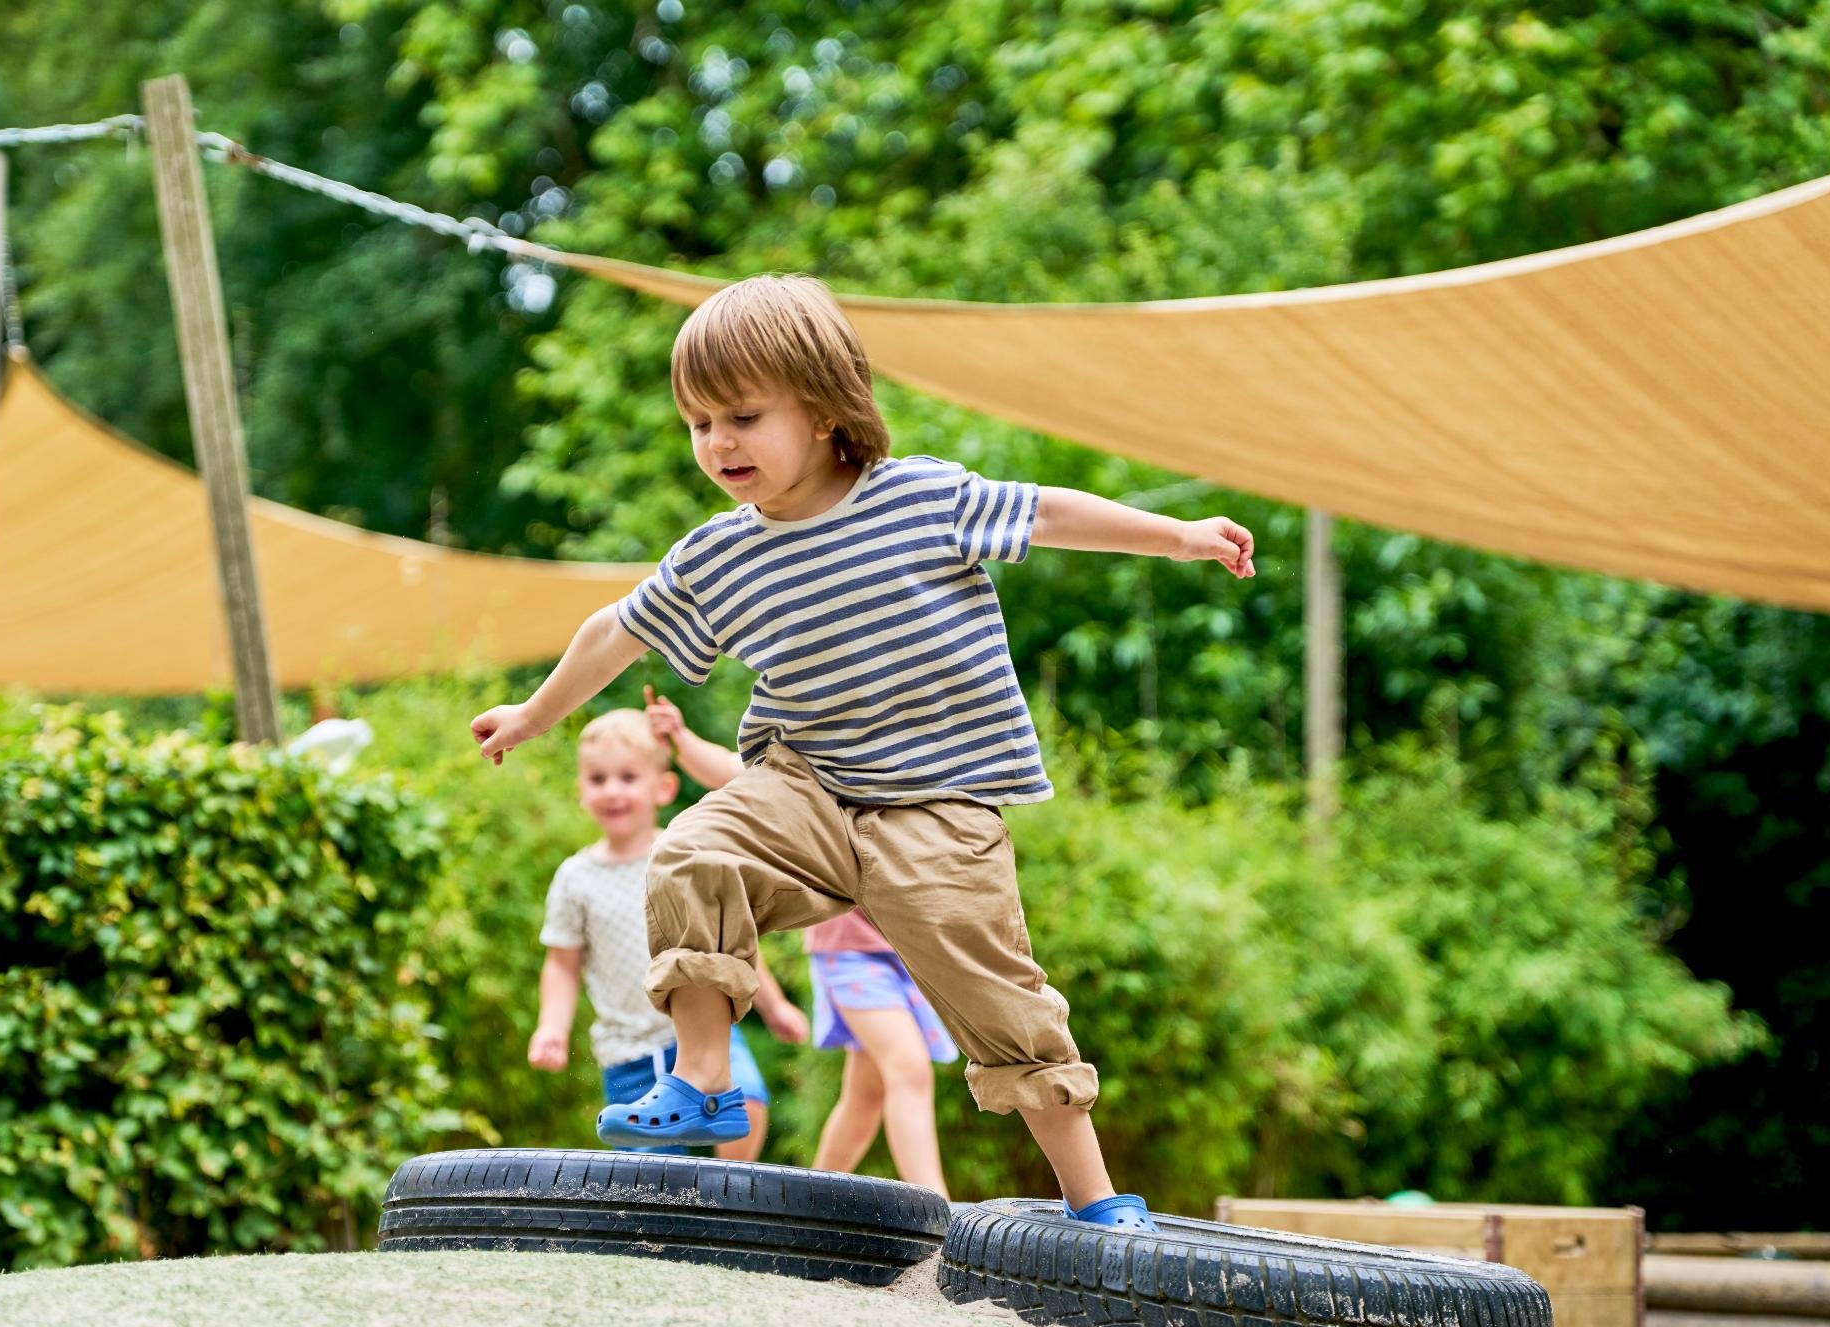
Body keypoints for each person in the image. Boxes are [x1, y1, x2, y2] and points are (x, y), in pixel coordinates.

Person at [474, 274, 1255, 1230]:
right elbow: (616, 630)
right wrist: (535, 712)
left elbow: (1047, 512)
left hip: (938, 804)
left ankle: (1092, 1196)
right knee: (692, 849)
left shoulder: (921, 499)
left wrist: (1178, 536)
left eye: (744, 416)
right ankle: (706, 1074)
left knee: (997, 992)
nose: (717, 444)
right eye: (699, 423)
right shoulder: (720, 555)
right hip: (803, 790)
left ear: (825, 408)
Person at [645, 688, 956, 1198]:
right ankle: (939, 1207)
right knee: (908, 1067)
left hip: (909, 957)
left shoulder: (916, 773)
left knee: (866, 1097)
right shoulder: (824, 771)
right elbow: (732, 772)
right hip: (852, 954)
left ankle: (810, 1198)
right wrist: (680, 739)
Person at [528, 708, 808, 1161]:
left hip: (703, 1027)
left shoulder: (681, 854)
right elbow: (562, 964)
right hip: (629, 1051)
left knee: (748, 1103)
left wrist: (774, 1008)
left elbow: (727, 944)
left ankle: (729, 1202)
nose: (612, 790)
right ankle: (679, 1229)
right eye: (598, 779)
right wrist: (551, 1028)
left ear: (664, 787)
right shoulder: (575, 877)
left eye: (627, 777)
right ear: (581, 791)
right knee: (655, 1174)